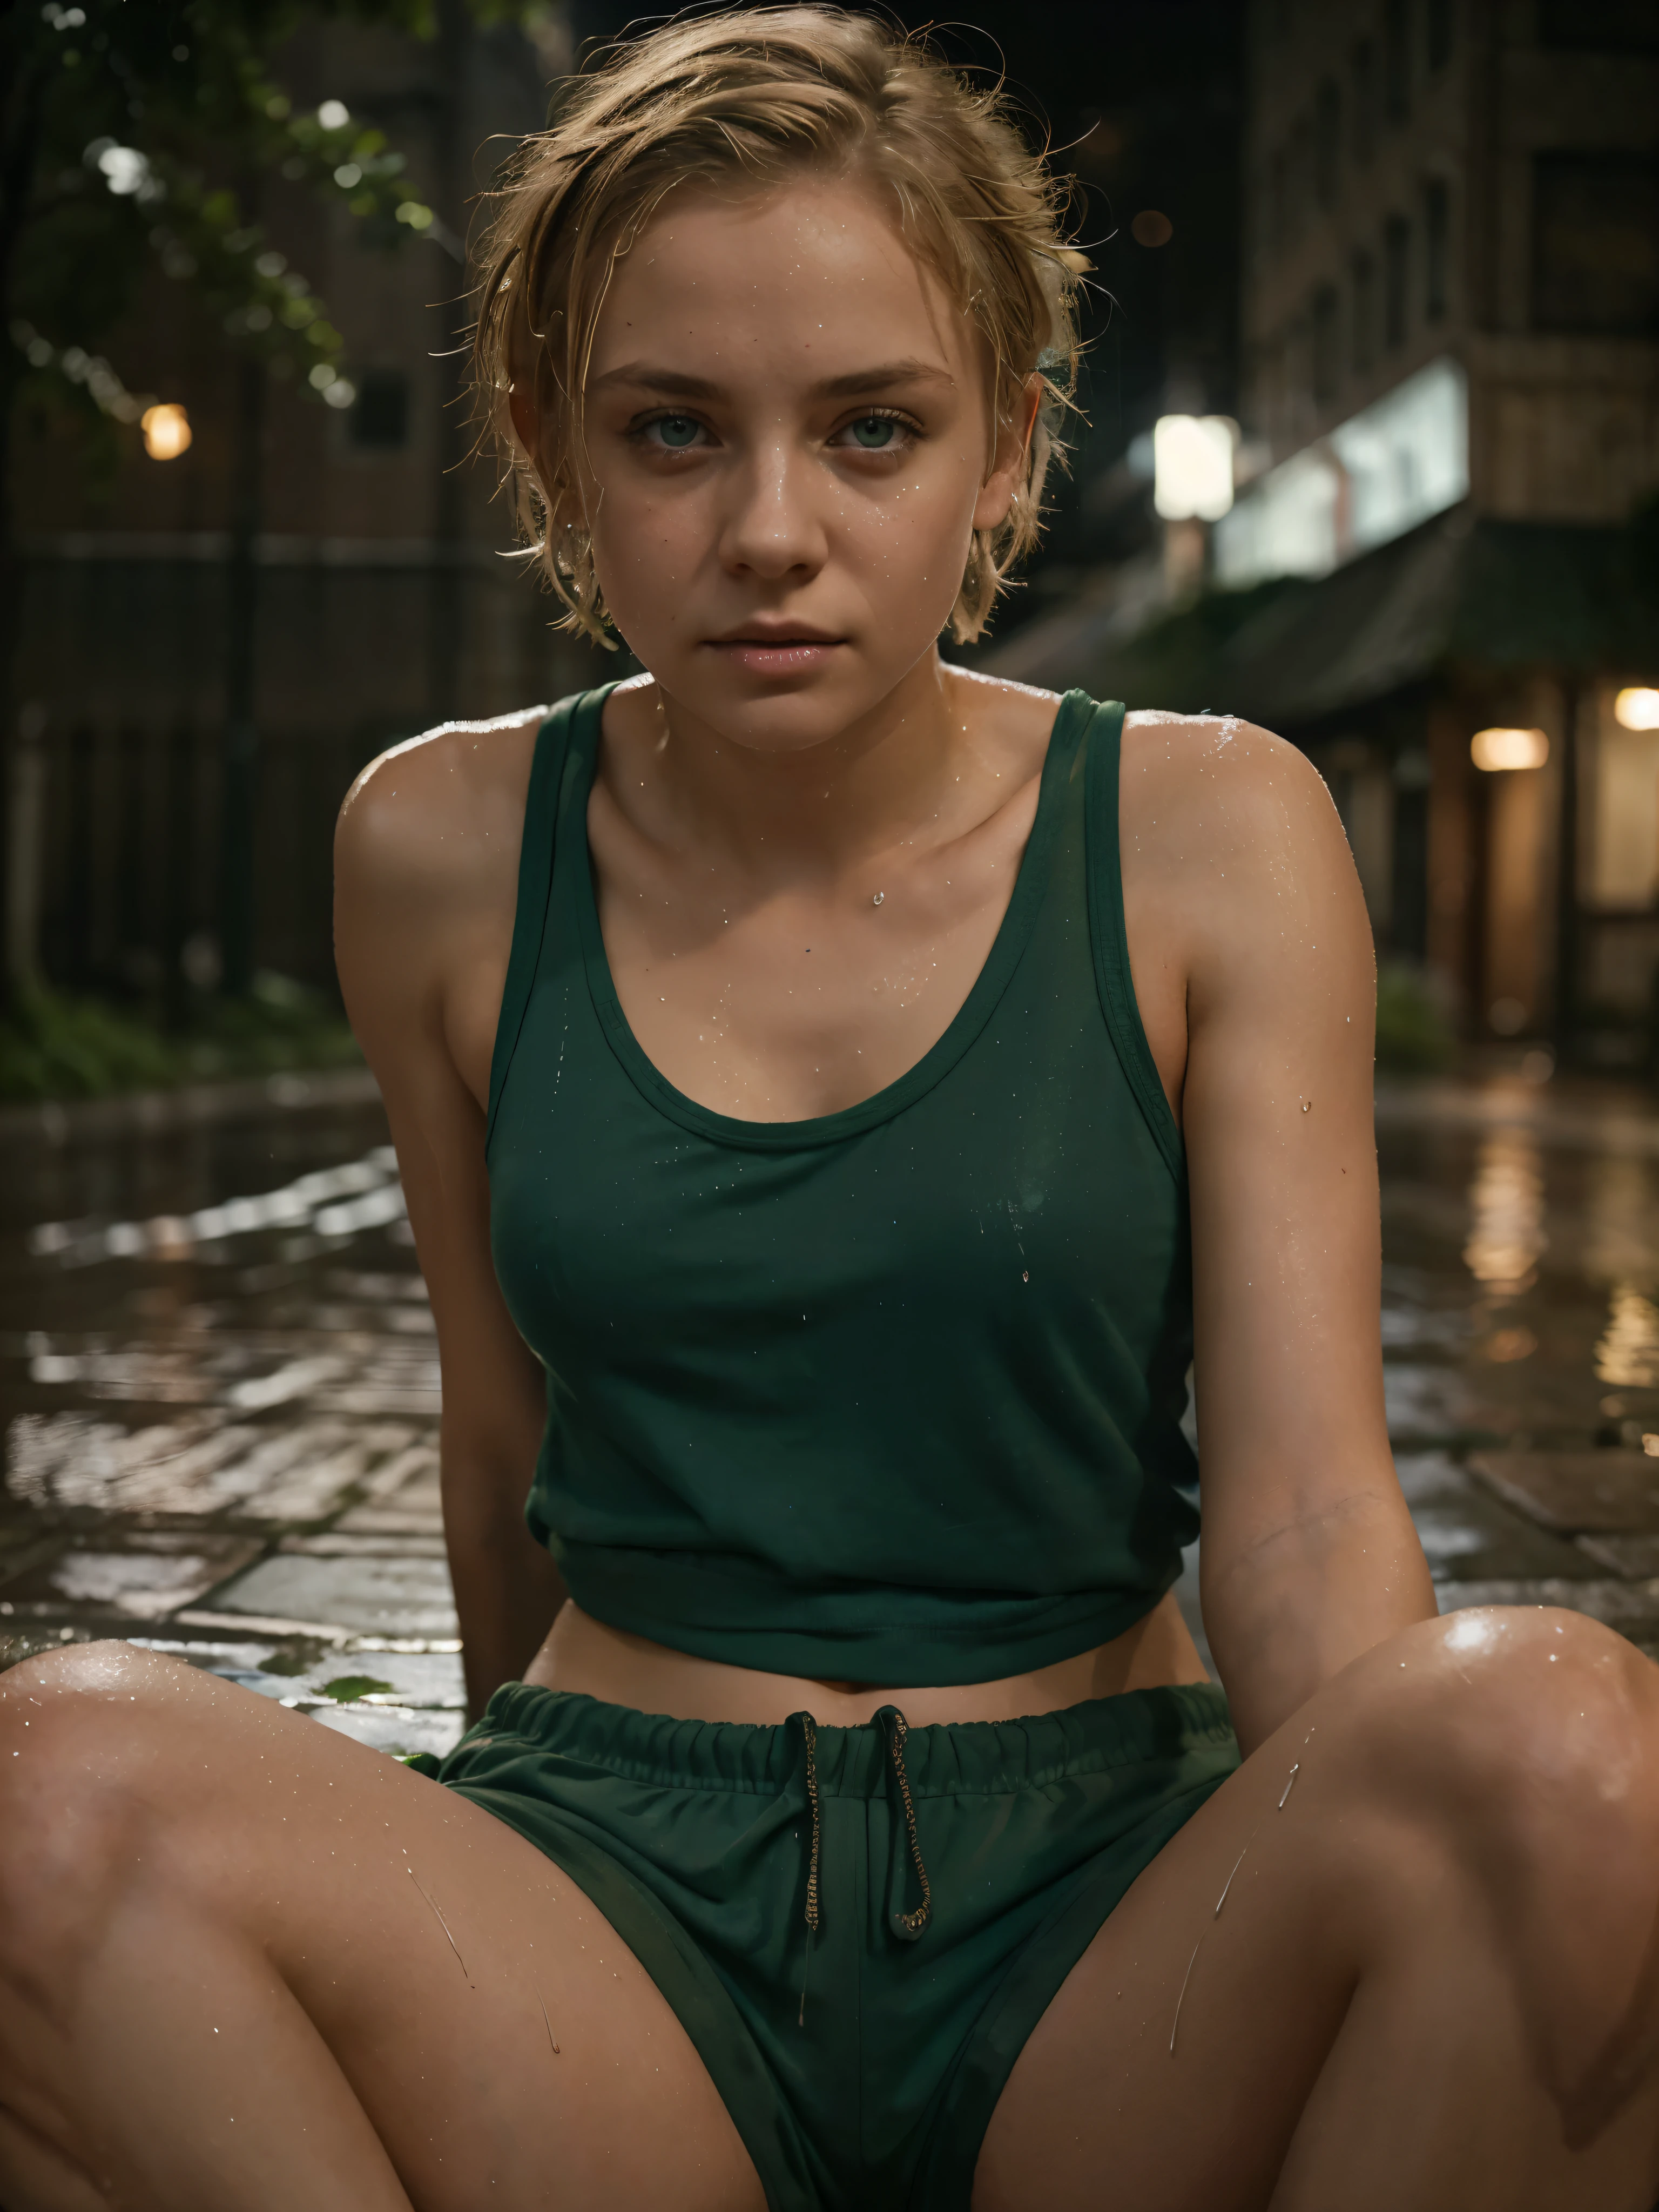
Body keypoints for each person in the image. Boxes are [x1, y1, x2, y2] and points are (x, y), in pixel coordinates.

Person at [2, 10, 1657, 2209]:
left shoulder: (1211, 828)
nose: (771, 529)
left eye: (870, 429)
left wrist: (1394, 1893)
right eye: (675, 431)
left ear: (1005, 450)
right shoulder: (436, 845)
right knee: (46, 1794)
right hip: (617, 1894)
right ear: (552, 448)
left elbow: (1303, 1517)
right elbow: (501, 1452)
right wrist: (479, 1941)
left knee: (1562, 1747)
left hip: (1104, 1912)